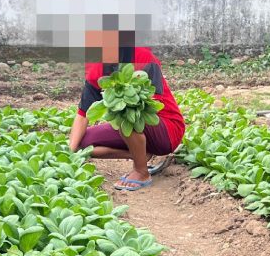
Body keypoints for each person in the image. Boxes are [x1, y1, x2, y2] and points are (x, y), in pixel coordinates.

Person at [68, 24, 185, 191]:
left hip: (166, 130)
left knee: (126, 113)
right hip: (133, 128)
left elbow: (152, 105)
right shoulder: (96, 69)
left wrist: (122, 100)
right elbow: (82, 114)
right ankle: (139, 155)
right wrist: (69, 153)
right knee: (82, 143)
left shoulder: (143, 58)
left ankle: (141, 171)